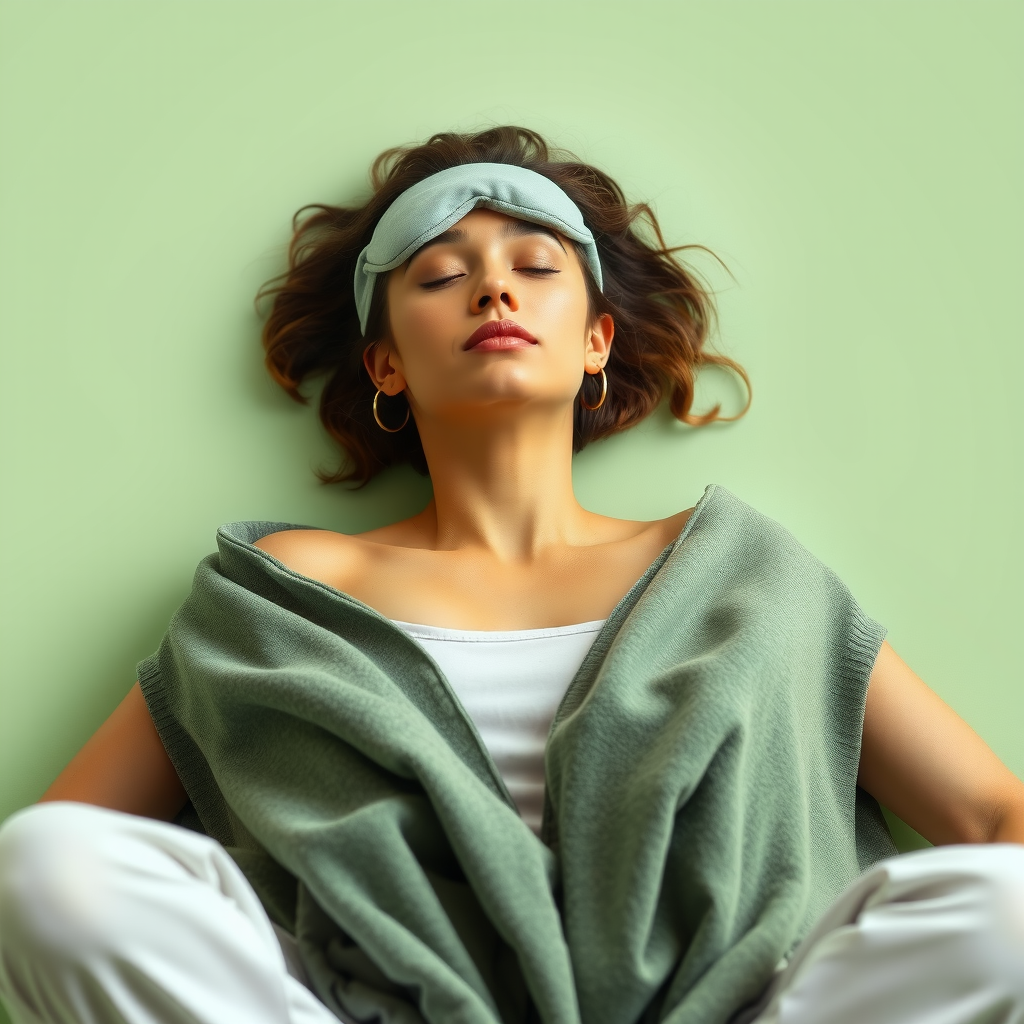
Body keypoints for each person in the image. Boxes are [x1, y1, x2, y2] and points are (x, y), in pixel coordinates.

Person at [0, 126, 1021, 1024]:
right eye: (438, 276)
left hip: (731, 1004)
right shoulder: (280, 591)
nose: (493, 288)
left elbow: (991, 819)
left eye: (535, 266)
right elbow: (71, 853)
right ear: (386, 362)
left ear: (595, 342)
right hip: (367, 1006)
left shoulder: (746, 575)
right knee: (40, 867)